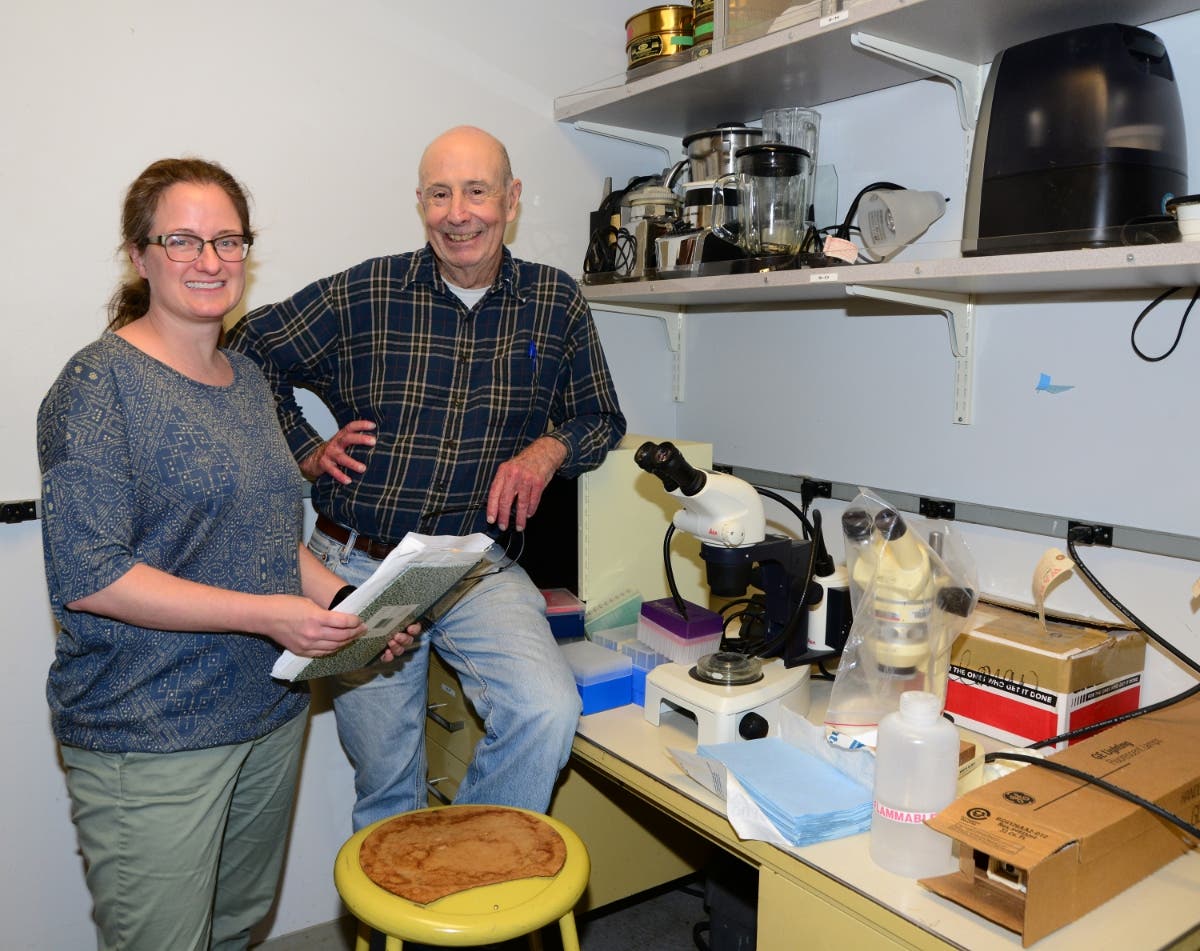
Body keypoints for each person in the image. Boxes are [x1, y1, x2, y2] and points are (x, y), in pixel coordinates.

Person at [37, 157, 415, 951]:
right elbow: (91, 575)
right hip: (151, 732)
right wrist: (269, 616)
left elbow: (271, 535)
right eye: (183, 239)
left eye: (228, 240)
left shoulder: (245, 377)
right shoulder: (97, 385)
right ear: (139, 256)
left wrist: (353, 610)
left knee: (239, 929)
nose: (210, 260)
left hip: (268, 714)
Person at [228, 125, 627, 830]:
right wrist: (305, 448)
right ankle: (409, 917)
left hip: (475, 562)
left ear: (511, 200)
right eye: (440, 194)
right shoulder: (368, 290)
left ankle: (463, 871)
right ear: (420, 204)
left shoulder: (555, 301)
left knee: (547, 708)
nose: (458, 212)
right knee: (388, 785)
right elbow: (247, 348)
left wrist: (547, 451)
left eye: (477, 191)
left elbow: (600, 416)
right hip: (360, 564)